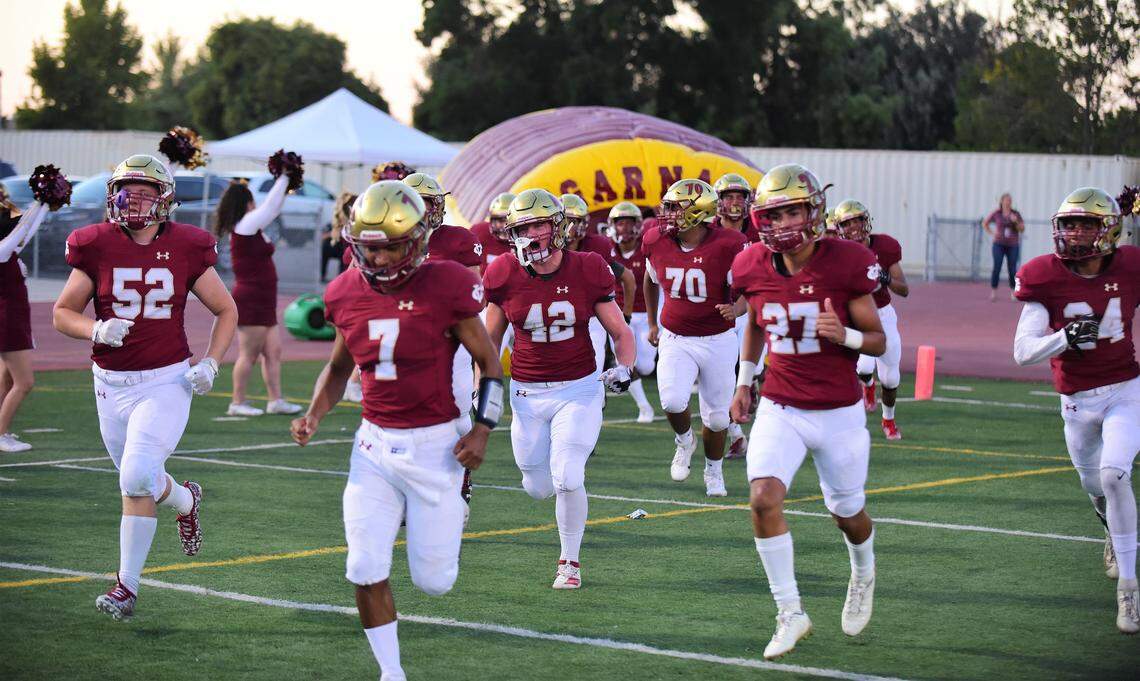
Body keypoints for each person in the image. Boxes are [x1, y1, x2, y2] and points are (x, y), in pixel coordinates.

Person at [291, 180, 504, 680]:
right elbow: (339, 367)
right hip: (374, 448)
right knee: (363, 567)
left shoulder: (448, 283)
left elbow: (490, 365)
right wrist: (314, 413)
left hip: (437, 448)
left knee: (436, 582)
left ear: (415, 241)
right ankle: (391, 672)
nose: (380, 257)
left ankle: (454, 508)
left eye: (389, 246)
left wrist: (482, 430)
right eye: (370, 247)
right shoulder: (344, 290)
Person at [52, 154, 237, 620]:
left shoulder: (189, 245)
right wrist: (94, 329)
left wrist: (212, 362)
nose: (132, 201)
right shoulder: (94, 244)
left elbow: (226, 309)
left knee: (135, 475)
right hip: (109, 384)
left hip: (164, 380)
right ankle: (187, 498)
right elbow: (63, 313)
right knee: (138, 482)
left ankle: (125, 588)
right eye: (125, 191)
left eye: (144, 193)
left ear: (165, 200)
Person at [730, 163, 886, 659]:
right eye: (773, 215)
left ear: (814, 210)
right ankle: (790, 612)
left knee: (847, 514)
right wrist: (745, 379)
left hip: (839, 412)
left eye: (791, 211)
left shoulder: (847, 262)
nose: (782, 224)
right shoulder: (751, 264)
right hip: (781, 406)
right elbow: (755, 320)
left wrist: (848, 336)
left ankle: (862, 569)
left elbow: (879, 340)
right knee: (761, 499)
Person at [483, 189, 635, 590]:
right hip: (527, 395)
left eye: (538, 225)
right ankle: (551, 486)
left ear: (558, 227)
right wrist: (476, 382)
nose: (531, 235)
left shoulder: (587, 267)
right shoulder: (503, 272)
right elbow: (487, 342)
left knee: (568, 477)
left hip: (579, 389)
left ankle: (570, 562)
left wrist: (624, 366)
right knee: (537, 487)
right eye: (522, 228)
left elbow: (620, 331)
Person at [1012, 186, 1139, 634]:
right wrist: (1065, 337)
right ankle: (1110, 526)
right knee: (1093, 483)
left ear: (1108, 231)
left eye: (1086, 224)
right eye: (1068, 224)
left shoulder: (1131, 265)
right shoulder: (1043, 274)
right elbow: (1023, 351)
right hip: (1076, 400)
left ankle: (1129, 587)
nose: (1074, 233)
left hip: (1125, 388)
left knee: (1114, 474)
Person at [643, 179, 748, 497]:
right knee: (672, 400)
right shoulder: (656, 240)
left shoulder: (729, 244)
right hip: (676, 336)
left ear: (698, 212)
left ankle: (713, 471)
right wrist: (651, 322)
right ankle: (683, 441)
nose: (668, 214)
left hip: (718, 338)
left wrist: (736, 308)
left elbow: (750, 292)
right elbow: (649, 280)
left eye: (675, 208)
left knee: (717, 419)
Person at [403, 171, 485, 516]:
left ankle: (461, 478)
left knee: (457, 418)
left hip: (451, 341)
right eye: (420, 203)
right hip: (406, 341)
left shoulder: (458, 240)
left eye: (433, 202)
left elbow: (476, 294)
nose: (428, 210)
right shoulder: (391, 238)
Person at [214, 171, 302, 417]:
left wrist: (286, 185)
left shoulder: (251, 226)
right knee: (249, 354)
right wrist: (285, 177)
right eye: (252, 200)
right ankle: (237, 402)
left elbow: (273, 207)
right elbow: (271, 208)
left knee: (273, 352)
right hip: (251, 299)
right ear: (246, 204)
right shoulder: (245, 225)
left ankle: (276, 400)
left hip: (264, 299)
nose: (256, 204)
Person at [831, 199, 909, 439]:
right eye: (848, 223)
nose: (854, 227)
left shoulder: (884, 246)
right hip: (854, 314)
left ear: (867, 221)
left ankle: (888, 419)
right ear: (839, 227)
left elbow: (903, 289)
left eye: (858, 220)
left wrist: (884, 278)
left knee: (890, 375)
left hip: (882, 312)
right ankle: (867, 387)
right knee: (862, 367)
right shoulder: (836, 252)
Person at [561, 193, 637, 378]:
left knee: (592, 373)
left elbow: (627, 277)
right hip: (558, 318)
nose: (570, 226)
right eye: (566, 220)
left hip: (592, 318)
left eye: (575, 220)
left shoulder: (596, 245)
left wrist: (625, 314)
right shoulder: (546, 249)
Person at [713, 173, 761, 459]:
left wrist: (740, 306)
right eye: (729, 197)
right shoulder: (707, 231)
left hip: (753, 309)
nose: (734, 203)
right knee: (720, 379)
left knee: (750, 371)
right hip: (718, 311)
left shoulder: (758, 232)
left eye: (739, 197)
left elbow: (760, 279)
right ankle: (736, 436)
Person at [0, 185, 48, 452]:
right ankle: (1, 433)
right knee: (24, 382)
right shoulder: (2, 251)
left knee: (7, 379)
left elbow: (27, 231)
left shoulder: (8, 251)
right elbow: (20, 231)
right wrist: (40, 203)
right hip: (7, 319)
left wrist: (43, 203)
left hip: (14, 317)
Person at [606, 201, 656, 423]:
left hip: (646, 313)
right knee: (626, 362)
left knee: (646, 366)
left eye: (629, 223)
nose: (624, 228)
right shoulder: (607, 250)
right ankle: (644, 407)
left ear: (638, 224)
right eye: (620, 223)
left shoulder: (647, 248)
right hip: (617, 314)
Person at [984, 192, 1024, 301]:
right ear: (1001, 201)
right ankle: (993, 292)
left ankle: (1013, 292)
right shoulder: (997, 213)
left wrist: (1015, 221)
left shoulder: (1016, 214)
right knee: (997, 266)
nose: (1008, 202)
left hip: (1012, 245)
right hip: (999, 244)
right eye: (1006, 200)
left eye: (1010, 200)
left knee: (1012, 269)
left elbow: (1022, 228)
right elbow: (985, 223)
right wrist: (992, 233)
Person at [320, 192, 353, 283]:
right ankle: (322, 275)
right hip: (334, 246)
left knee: (345, 252)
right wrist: (332, 233)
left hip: (344, 248)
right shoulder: (335, 219)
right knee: (325, 247)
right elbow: (323, 236)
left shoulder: (351, 218)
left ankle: (342, 278)